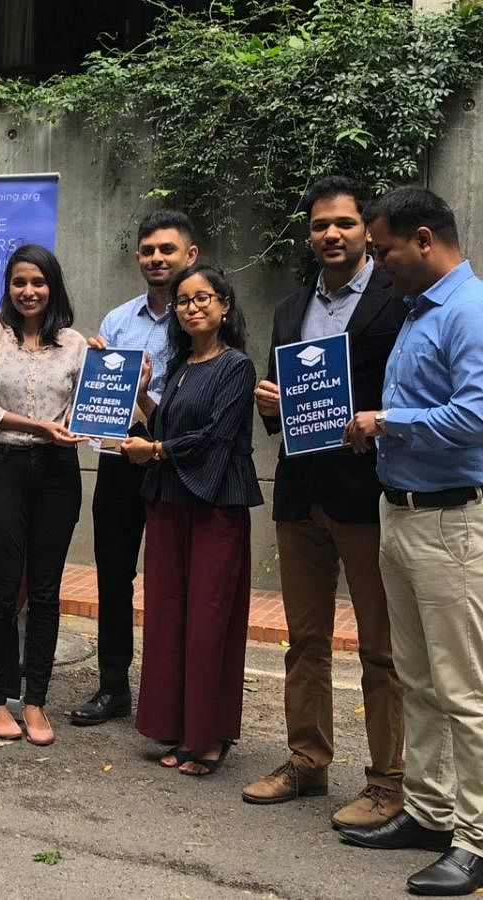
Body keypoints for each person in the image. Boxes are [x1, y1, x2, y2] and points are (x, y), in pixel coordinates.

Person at [242, 177, 406, 827]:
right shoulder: (290, 309)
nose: (331, 234)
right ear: (307, 234)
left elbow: (414, 384)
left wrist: (379, 419)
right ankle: (307, 762)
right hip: (300, 492)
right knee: (303, 639)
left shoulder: (400, 300)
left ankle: (389, 782)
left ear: (365, 229)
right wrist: (269, 404)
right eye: (319, 226)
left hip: (366, 492)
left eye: (343, 223)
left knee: (381, 648)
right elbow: (286, 392)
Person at [338, 188, 483, 896]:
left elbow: (477, 416)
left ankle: (477, 837)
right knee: (418, 681)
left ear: (423, 239)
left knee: (465, 690)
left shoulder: (470, 310)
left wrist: (386, 423)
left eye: (385, 248)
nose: (379, 261)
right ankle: (429, 811)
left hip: (453, 523)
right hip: (403, 515)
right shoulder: (420, 310)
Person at [122, 262, 261, 776]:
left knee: (208, 621)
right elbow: (162, 425)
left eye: (203, 298)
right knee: (167, 617)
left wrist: (155, 449)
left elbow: (215, 439)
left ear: (224, 305)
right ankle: (175, 724)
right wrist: (137, 392)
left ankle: (208, 736)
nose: (192, 307)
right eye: (183, 301)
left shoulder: (236, 367)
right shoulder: (180, 368)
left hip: (214, 508)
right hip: (168, 505)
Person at [70, 210, 199, 727]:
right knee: (114, 576)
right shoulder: (118, 321)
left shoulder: (203, 317)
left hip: (176, 461)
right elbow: (102, 400)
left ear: (191, 255)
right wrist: (94, 370)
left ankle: (173, 692)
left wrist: (144, 393)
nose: (157, 258)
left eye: (167, 249)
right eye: (148, 250)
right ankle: (112, 686)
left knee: (173, 581)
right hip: (119, 460)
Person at [0, 244, 85, 746]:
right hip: (1, 466)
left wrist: (126, 381)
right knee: (3, 585)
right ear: (8, 288)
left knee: (47, 590)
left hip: (58, 470)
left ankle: (36, 701)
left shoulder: (76, 344)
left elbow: (90, 410)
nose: (28, 291)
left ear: (52, 286)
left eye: (37, 282)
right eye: (19, 282)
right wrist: (39, 425)